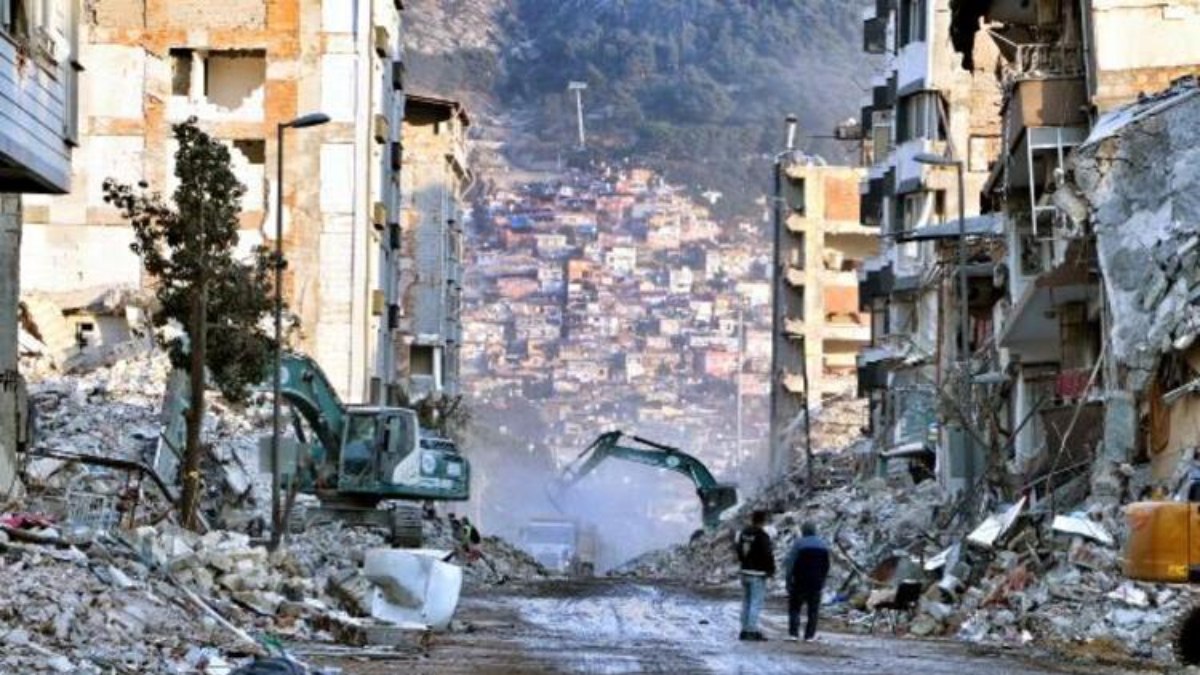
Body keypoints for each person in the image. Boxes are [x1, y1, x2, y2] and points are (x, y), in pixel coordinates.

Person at [783, 521, 831, 642]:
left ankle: (793, 634)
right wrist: (823, 579)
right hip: (816, 582)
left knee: (795, 608)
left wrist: (788, 580)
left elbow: (790, 563)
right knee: (813, 610)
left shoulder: (798, 544)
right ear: (815, 530)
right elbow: (826, 565)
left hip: (800, 581)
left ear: (803, 531)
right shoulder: (823, 545)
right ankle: (809, 635)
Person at [735, 509, 775, 641]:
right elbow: (767, 554)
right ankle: (751, 631)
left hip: (745, 571)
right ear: (763, 521)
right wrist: (770, 570)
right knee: (755, 602)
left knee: (746, 601)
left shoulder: (744, 533)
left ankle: (744, 628)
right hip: (757, 573)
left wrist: (743, 562)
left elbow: (739, 550)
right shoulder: (762, 535)